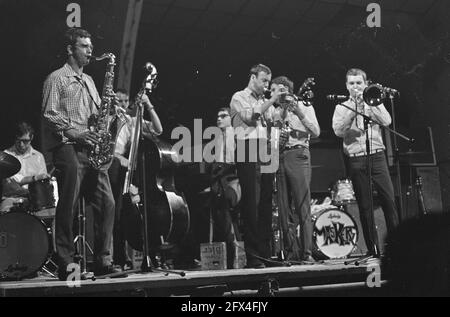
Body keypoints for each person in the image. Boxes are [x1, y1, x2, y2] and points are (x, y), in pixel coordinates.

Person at [42, 27, 122, 280]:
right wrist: (74, 132)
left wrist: (110, 113)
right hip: (68, 147)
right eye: (84, 46)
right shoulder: (56, 78)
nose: (90, 51)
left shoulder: (89, 81)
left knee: (108, 203)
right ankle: (66, 263)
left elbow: (97, 117)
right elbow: (49, 113)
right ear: (70, 49)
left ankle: (103, 259)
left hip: (92, 150)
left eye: (90, 46)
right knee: (68, 206)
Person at [332, 68, 399, 256]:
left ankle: (396, 247)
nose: (355, 87)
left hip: (377, 156)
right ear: (346, 86)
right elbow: (338, 131)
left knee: (389, 201)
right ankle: (373, 249)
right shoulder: (341, 107)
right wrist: (354, 111)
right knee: (365, 205)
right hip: (356, 159)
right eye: (352, 84)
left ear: (365, 84)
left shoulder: (373, 102)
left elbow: (386, 121)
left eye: (359, 83)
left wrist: (371, 105)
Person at [229, 64, 286, 268]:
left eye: (268, 82)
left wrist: (286, 105)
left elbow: (276, 122)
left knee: (265, 203)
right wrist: (271, 99)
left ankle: (265, 254)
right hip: (247, 147)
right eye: (264, 81)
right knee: (251, 203)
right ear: (253, 77)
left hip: (264, 148)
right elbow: (249, 117)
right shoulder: (239, 96)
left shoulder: (264, 100)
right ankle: (253, 256)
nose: (266, 85)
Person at [108, 88, 163, 269]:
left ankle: (152, 253)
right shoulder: (109, 122)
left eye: (125, 101)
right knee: (117, 215)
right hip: (115, 172)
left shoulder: (134, 122)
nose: (122, 105)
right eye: (118, 101)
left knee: (139, 213)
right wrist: (122, 159)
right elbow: (113, 152)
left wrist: (148, 105)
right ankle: (119, 257)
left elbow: (158, 129)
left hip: (134, 176)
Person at [268, 76, 320, 263]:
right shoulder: (275, 112)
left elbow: (316, 132)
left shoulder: (305, 106)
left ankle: (307, 252)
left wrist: (298, 112)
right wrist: (279, 121)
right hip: (281, 157)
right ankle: (291, 252)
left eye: (279, 90)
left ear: (289, 91)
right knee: (283, 208)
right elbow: (273, 142)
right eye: (273, 90)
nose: (275, 93)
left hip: (299, 154)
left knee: (302, 205)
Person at [207, 107, 241, 268]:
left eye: (223, 116)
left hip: (233, 180)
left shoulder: (236, 134)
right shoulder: (218, 138)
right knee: (219, 213)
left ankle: (233, 252)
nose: (219, 119)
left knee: (225, 204)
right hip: (219, 180)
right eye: (217, 117)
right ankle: (228, 253)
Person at [1, 122, 50, 213]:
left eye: (25, 141)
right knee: (6, 216)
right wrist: (35, 178)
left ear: (31, 138)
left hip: (34, 200)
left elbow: (42, 184)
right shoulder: (5, 156)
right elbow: (16, 181)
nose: (21, 145)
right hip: (12, 198)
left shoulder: (38, 156)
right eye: (18, 140)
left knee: (48, 213)